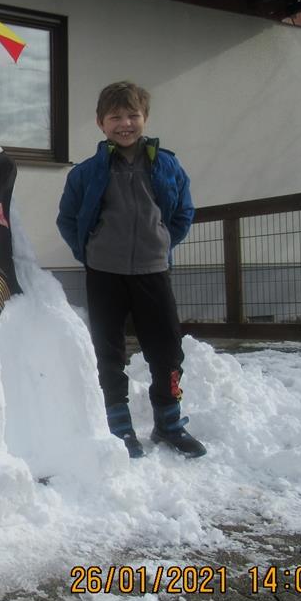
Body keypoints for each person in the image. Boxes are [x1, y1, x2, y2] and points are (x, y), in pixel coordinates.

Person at [56, 81, 205, 459]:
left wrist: (162, 241)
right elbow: (68, 219)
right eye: (115, 117)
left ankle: (169, 421)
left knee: (167, 349)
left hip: (153, 272)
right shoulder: (87, 173)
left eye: (132, 115)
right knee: (108, 350)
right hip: (104, 274)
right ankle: (119, 424)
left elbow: (183, 212)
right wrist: (89, 252)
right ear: (100, 123)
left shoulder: (167, 164)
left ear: (145, 118)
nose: (125, 124)